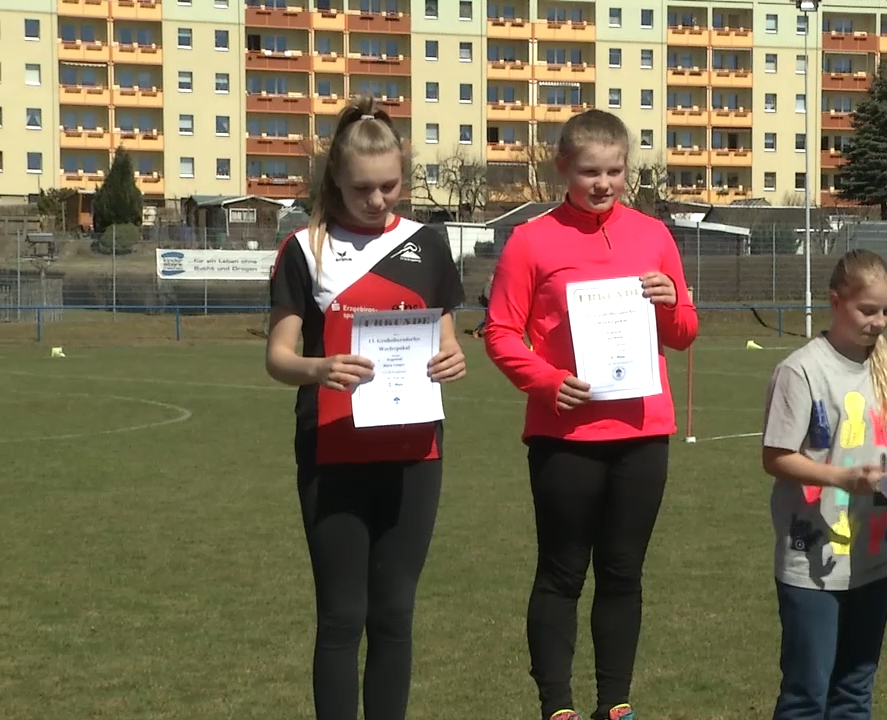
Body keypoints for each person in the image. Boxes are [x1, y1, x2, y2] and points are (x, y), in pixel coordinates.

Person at [483, 109, 699, 720]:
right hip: (565, 435)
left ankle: (616, 703)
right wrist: (547, 380)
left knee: (624, 571)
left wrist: (670, 302)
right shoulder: (531, 240)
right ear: (562, 167)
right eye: (589, 172)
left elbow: (683, 334)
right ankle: (558, 704)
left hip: (642, 431)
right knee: (562, 571)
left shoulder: (654, 235)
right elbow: (500, 333)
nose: (603, 183)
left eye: (615, 171)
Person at [265, 96, 467, 720]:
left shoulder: (428, 245)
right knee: (343, 615)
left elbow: (448, 338)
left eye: (390, 186)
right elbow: (278, 357)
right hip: (334, 449)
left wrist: (453, 360)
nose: (379, 201)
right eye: (363, 190)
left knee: (394, 613)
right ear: (334, 181)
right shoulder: (306, 249)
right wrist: (318, 368)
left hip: (414, 449)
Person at [760, 249, 887, 720]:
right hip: (813, 558)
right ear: (835, 301)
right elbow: (776, 457)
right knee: (807, 694)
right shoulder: (801, 370)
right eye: (867, 310)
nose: (879, 322)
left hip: (876, 554)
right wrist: (845, 478)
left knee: (854, 693)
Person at [470, 272, 494, 338]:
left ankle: (489, 333)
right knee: (487, 319)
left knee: (490, 319)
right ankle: (476, 331)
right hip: (488, 304)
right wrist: (491, 301)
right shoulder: (488, 286)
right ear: (490, 278)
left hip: (492, 304)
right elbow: (487, 295)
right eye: (493, 277)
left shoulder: (493, 286)